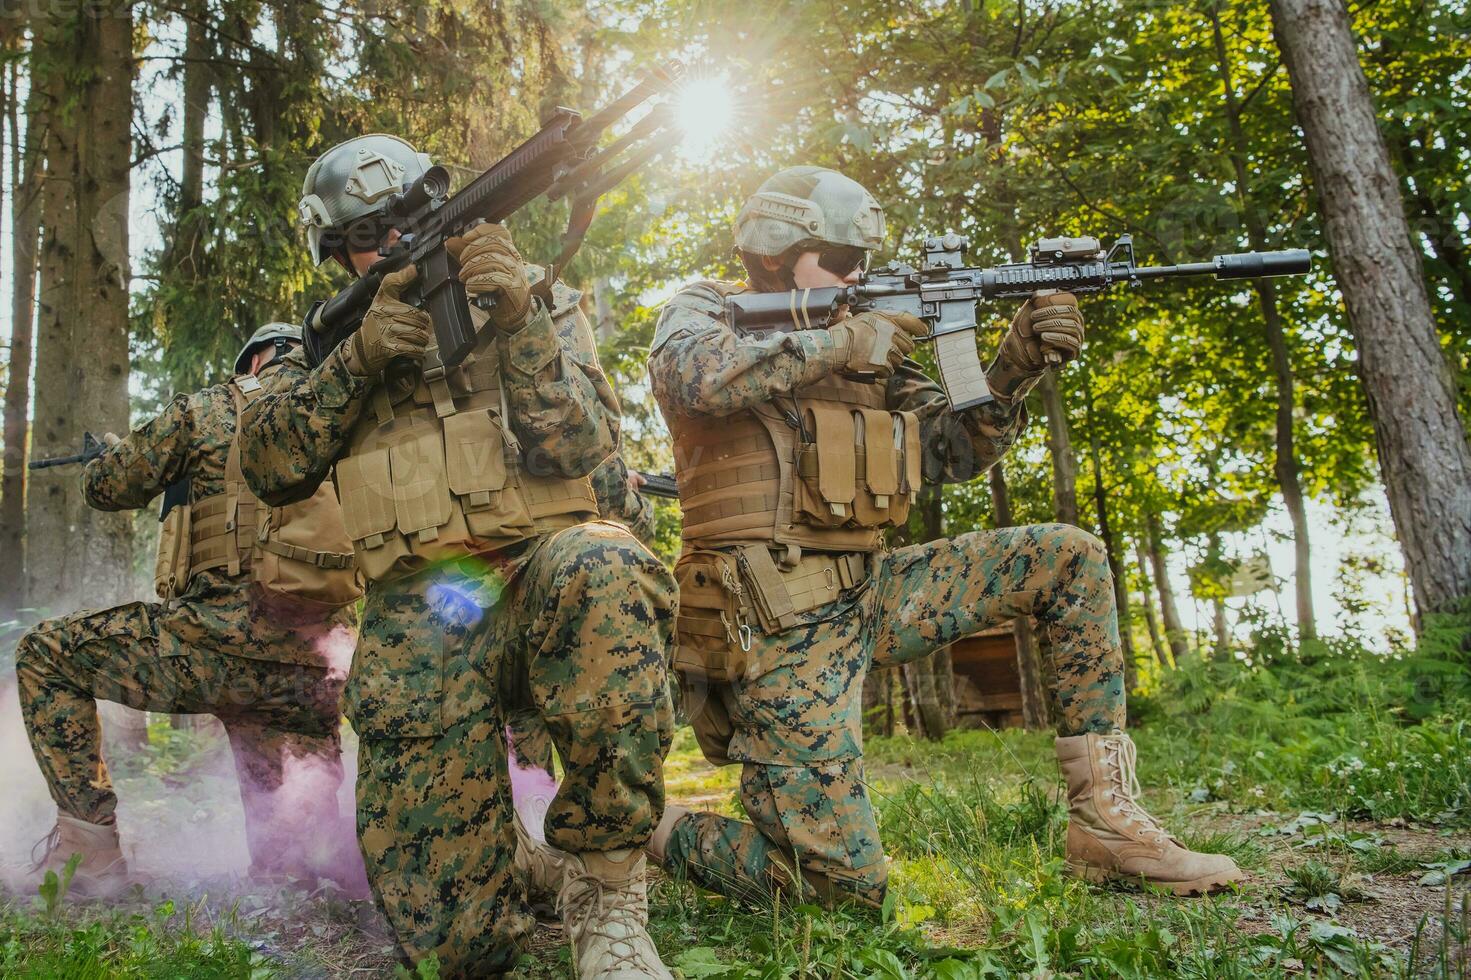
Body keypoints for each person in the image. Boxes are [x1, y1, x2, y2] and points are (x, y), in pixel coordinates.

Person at [644, 166, 1244, 907]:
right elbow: (692, 379)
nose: (856, 271)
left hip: (871, 592)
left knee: (1066, 557)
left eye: (861, 258)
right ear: (772, 252)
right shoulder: (710, 310)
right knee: (838, 888)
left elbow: (954, 451)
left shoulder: (872, 348)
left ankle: (1105, 824)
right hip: (768, 620)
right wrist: (846, 341)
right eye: (837, 257)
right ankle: (641, 823)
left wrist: (1011, 367)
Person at [240, 134, 676, 978]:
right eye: (372, 236)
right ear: (337, 254)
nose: (399, 243)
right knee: (463, 952)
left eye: (412, 219)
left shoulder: (534, 303)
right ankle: (504, 854)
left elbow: (584, 447)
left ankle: (607, 895)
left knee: (605, 562)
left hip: (544, 573)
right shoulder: (318, 347)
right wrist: (359, 360)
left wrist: (516, 322)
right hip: (420, 620)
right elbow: (270, 466)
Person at [17, 323, 364, 896]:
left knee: (44, 654)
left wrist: (104, 457)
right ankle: (310, 869)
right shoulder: (347, 418)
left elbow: (108, 487)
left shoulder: (209, 409)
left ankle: (91, 853)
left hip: (212, 648)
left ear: (253, 363)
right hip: (319, 670)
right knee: (293, 861)